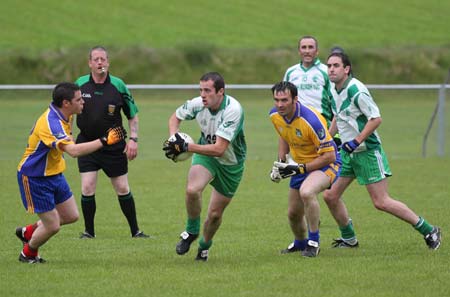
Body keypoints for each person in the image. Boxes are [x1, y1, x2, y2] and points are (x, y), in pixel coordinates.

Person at [323, 52, 441, 250]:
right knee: (330, 196)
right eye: (329, 66)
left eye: (336, 65)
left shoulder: (356, 90)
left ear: (346, 69)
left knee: (381, 201)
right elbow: (338, 115)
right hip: (348, 153)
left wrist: (357, 140)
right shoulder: (333, 88)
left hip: (367, 151)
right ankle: (349, 239)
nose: (331, 69)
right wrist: (328, 139)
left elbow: (376, 119)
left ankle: (429, 230)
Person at [16, 82, 126, 263]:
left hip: (54, 174)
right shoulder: (51, 123)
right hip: (34, 177)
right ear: (66, 103)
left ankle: (28, 232)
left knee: (71, 216)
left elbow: (70, 139)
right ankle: (28, 253)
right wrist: (105, 140)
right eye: (79, 99)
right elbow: (73, 151)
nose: (83, 102)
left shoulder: (67, 115)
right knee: (52, 226)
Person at [163, 72, 246, 261]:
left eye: (207, 90)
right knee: (192, 190)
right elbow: (174, 118)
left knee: (215, 215)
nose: (202, 94)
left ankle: (204, 246)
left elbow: (219, 149)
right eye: (201, 90)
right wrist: (174, 138)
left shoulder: (233, 110)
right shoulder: (198, 104)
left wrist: (187, 147)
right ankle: (191, 232)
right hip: (205, 156)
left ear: (220, 92)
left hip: (231, 163)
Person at [75, 46, 148, 239]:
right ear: (90, 63)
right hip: (87, 144)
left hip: (113, 145)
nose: (100, 63)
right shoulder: (80, 84)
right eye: (96, 59)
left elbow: (133, 115)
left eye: (103, 59)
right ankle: (89, 232)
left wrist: (133, 139)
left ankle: (136, 231)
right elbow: (66, 111)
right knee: (87, 187)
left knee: (122, 188)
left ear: (108, 62)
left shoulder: (118, 85)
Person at [269, 81, 342, 257]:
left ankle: (313, 242)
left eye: (284, 100)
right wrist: (281, 162)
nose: (280, 105)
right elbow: (284, 134)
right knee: (294, 214)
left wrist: (300, 168)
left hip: (327, 164)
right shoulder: (275, 115)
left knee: (307, 192)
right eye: (276, 100)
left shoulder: (311, 121)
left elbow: (330, 156)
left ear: (295, 99)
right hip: (300, 165)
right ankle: (300, 243)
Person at [283, 36, 333, 127]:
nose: (307, 51)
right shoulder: (291, 72)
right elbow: (284, 98)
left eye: (310, 47)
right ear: (299, 51)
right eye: (304, 47)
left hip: (321, 122)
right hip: (296, 122)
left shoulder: (326, 71)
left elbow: (334, 99)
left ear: (317, 51)